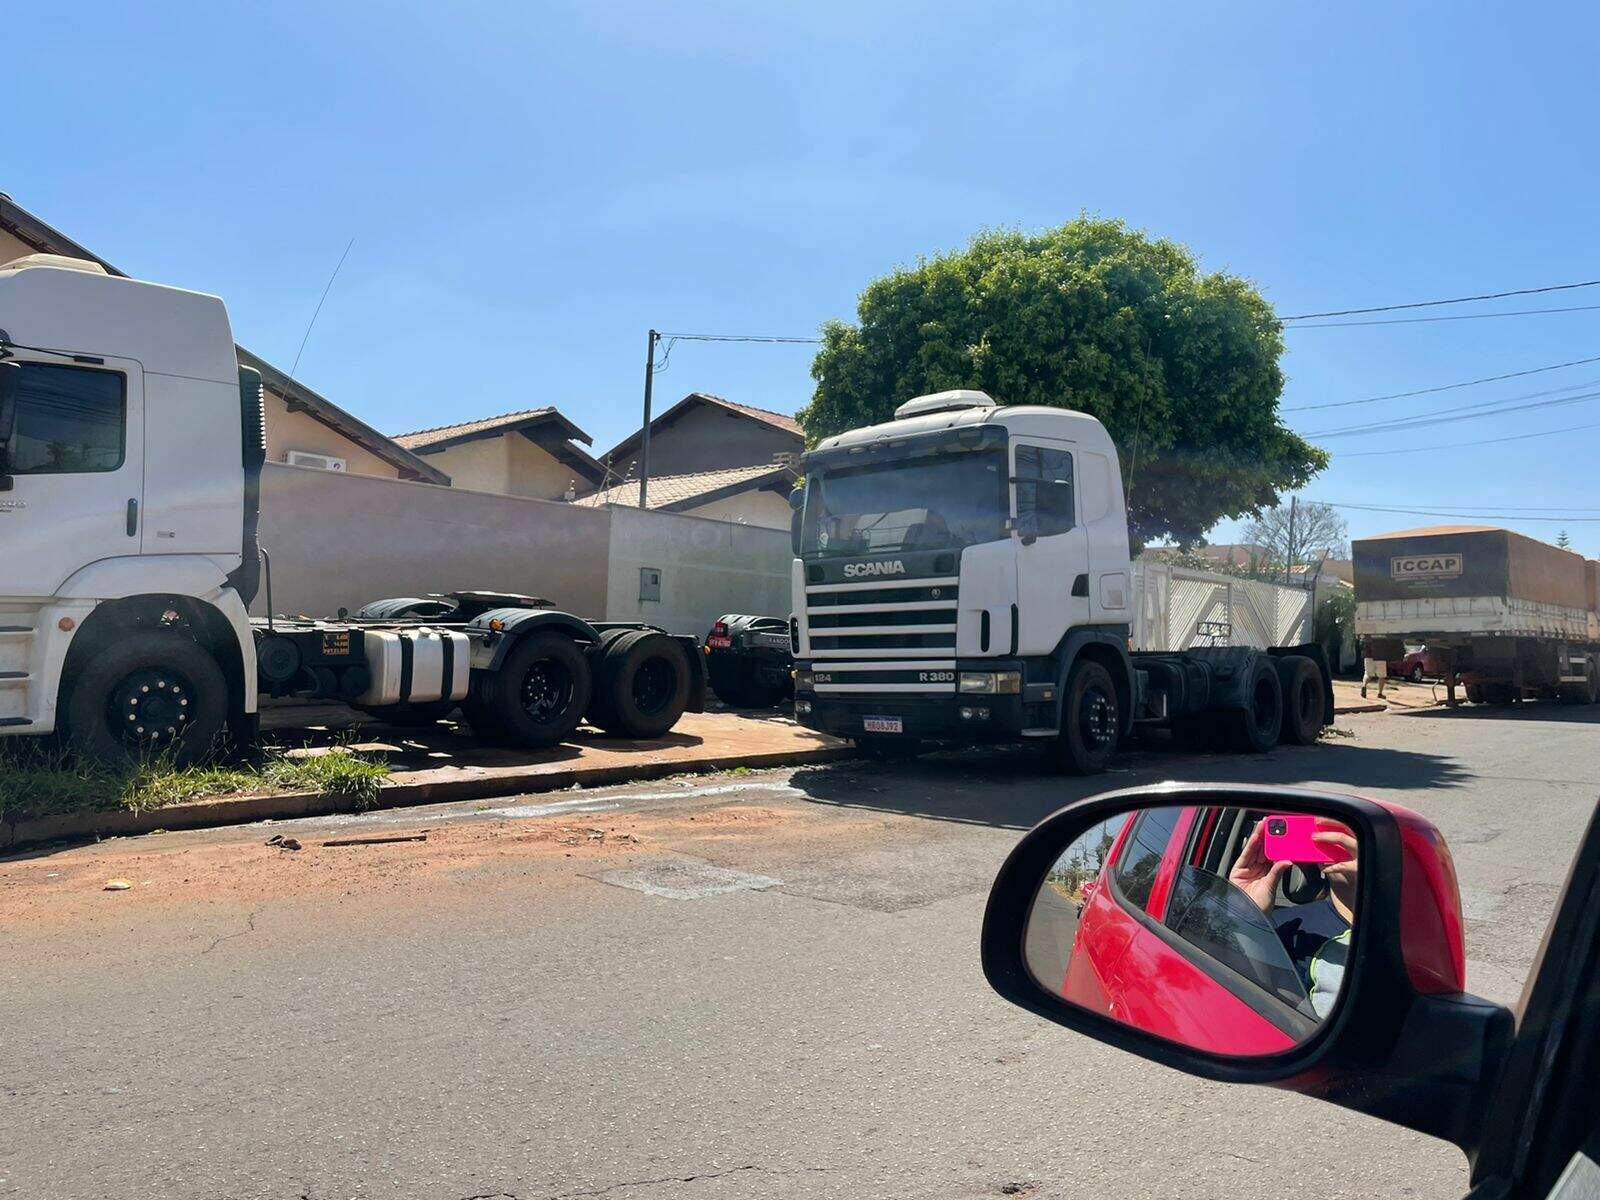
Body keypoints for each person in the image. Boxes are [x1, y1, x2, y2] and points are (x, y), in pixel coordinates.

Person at [1228, 819, 1358, 1018]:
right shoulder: (1286, 929)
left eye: (1351, 834)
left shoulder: (1410, 920)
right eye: (1324, 834)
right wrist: (1247, 915)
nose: (1335, 841)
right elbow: (1251, 1001)